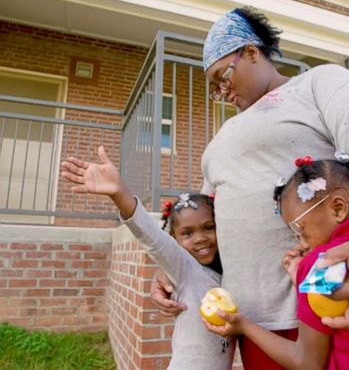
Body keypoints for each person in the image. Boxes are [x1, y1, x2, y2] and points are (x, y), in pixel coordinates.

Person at [150, 5, 349, 369]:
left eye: (222, 77)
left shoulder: (320, 83)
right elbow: (207, 222)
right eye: (214, 88)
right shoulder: (220, 139)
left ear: (251, 52)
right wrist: (176, 268)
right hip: (252, 323)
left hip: (325, 309)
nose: (222, 91)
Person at [60, 146, 235, 370]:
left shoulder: (226, 273)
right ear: (174, 239)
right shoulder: (185, 268)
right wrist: (119, 193)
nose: (200, 238)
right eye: (187, 233)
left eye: (209, 228)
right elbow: (152, 238)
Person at [203, 154, 349, 370]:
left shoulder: (321, 265)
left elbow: (307, 362)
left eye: (299, 229)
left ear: (337, 208)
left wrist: (244, 326)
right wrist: (301, 279)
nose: (301, 242)